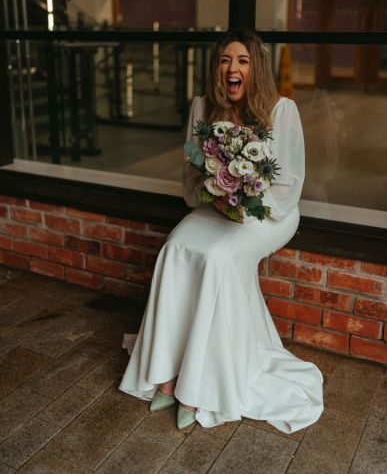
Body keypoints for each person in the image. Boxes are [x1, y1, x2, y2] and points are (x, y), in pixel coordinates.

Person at [119, 29, 324, 432]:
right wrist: (217, 193)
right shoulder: (203, 108)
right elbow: (191, 177)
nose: (233, 69)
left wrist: (245, 201)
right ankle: (166, 374)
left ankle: (198, 387)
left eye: (243, 61)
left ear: (256, 68)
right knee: (175, 247)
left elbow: (288, 184)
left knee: (217, 258)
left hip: (269, 214)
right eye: (226, 61)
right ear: (217, 68)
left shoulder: (281, 110)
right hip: (216, 206)